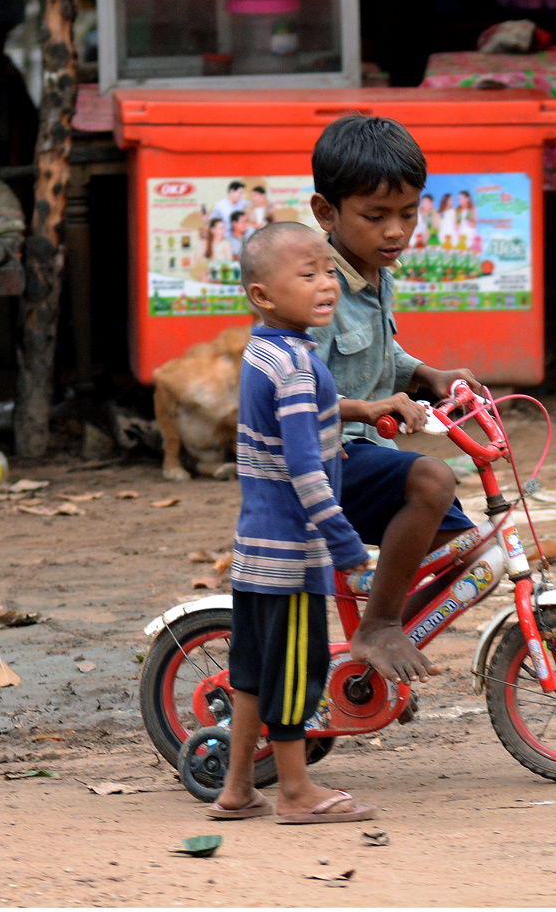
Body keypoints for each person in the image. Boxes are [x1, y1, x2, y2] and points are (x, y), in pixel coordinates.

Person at [207, 221, 377, 825]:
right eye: (307, 275)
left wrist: (338, 433)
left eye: (328, 270)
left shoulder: (263, 352)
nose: (326, 283)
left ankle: (236, 788)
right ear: (263, 295)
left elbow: (290, 436)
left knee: (251, 671)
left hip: (255, 548)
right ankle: (296, 791)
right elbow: (305, 469)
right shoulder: (300, 366)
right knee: (295, 675)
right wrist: (344, 542)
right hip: (295, 553)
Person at [306, 114, 483, 689]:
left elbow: (384, 353)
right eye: (376, 216)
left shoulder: (375, 274)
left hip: (363, 453)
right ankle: (378, 627)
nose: (395, 232)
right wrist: (371, 406)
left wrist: (428, 374)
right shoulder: (316, 293)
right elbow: (295, 388)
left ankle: (366, 676)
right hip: (322, 460)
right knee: (432, 481)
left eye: (408, 213)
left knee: (465, 551)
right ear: (326, 213)